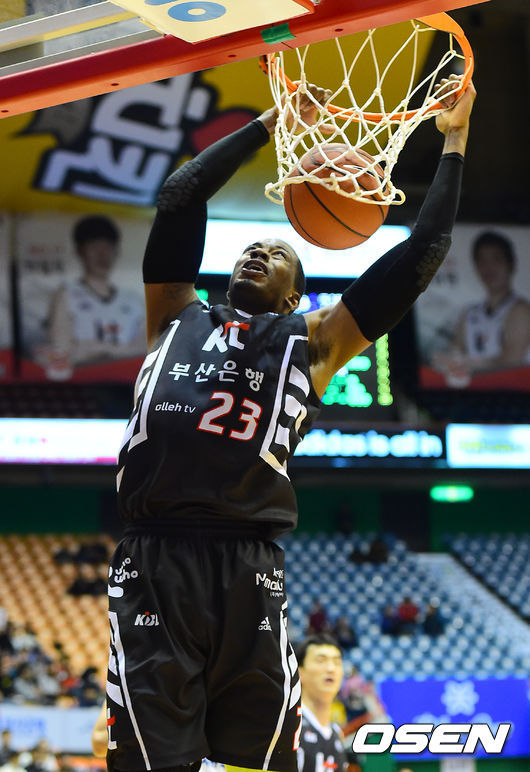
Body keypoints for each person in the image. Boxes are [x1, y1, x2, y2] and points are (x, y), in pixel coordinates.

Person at [106, 75, 475, 772]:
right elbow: (182, 195)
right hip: (156, 558)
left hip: (249, 563)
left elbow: (423, 252)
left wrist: (453, 141)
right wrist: (270, 122)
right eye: (252, 249)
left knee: (267, 760)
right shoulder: (174, 315)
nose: (258, 253)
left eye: (278, 255)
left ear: (294, 296)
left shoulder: (316, 343)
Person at [44, 215, 145, 378]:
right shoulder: (66, 295)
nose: (102, 254)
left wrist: (96, 349)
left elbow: (145, 349)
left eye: (108, 247)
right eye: (94, 246)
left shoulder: (133, 300)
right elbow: (62, 349)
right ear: (79, 251)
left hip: (127, 381)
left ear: (117, 251)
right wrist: (117, 351)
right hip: (83, 381)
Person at [434, 230, 530, 382]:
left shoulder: (521, 310)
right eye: (482, 261)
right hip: (476, 390)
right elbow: (454, 354)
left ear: (511, 265)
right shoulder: (469, 314)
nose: (489, 267)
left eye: (496, 259)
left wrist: (467, 363)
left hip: (512, 392)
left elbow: (512, 362)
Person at [295, 635, 351, 772]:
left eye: (337, 662)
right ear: (299, 672)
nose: (331, 668)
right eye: (321, 660)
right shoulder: (287, 725)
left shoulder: (336, 733)